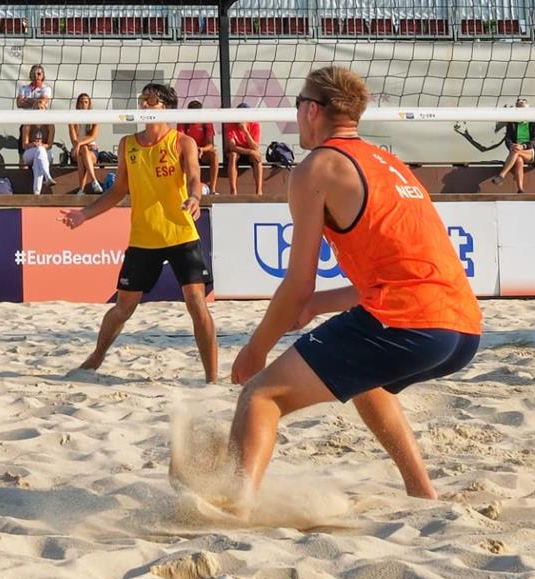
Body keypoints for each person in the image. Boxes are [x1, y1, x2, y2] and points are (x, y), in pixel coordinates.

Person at [222, 66, 481, 510]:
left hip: (410, 323)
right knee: (367, 380)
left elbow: (297, 283)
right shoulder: (390, 163)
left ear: (312, 110)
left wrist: (255, 350)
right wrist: (319, 304)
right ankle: (421, 490)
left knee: (261, 395)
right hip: (463, 330)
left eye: (297, 105)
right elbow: (405, 270)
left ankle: (233, 507)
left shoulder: (318, 167)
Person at [61, 82, 217, 382]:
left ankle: (212, 379)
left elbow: (194, 177)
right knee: (123, 307)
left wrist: (195, 197)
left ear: (166, 107)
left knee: (197, 303)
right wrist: (84, 214)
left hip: (180, 233)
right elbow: (118, 190)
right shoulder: (127, 145)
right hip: (144, 237)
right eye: (142, 99)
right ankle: (95, 358)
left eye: (151, 100)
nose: (144, 104)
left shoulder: (182, 142)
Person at [491, 97, 532, 192]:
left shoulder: (533, 122)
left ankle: (502, 175)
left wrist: (524, 146)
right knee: (518, 159)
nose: (522, 112)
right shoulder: (512, 123)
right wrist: (511, 145)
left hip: (531, 151)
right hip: (517, 151)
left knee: (516, 151)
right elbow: (508, 139)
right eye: (519, 109)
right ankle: (520, 189)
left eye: (524, 109)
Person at [179, 100, 219, 194]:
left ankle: (213, 189)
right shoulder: (183, 122)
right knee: (179, 157)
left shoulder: (206, 122)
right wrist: (192, 151)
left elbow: (210, 144)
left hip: (202, 152)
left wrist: (201, 149)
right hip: (188, 152)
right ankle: (185, 188)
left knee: (214, 155)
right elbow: (180, 142)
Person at [224, 103, 263, 196]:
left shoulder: (254, 124)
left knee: (257, 158)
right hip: (237, 151)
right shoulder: (230, 124)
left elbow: (255, 147)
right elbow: (232, 147)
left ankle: (259, 191)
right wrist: (250, 152)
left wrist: (245, 131)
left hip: (249, 152)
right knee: (233, 155)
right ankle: (233, 190)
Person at [69, 93, 104, 195]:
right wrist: (80, 144)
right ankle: (94, 181)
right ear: (78, 104)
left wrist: (80, 143)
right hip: (77, 150)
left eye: (86, 102)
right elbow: (73, 140)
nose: (83, 104)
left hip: (91, 151)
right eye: (81, 102)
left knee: (82, 155)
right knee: (83, 150)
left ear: (89, 104)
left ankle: (81, 190)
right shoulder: (72, 119)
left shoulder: (94, 118)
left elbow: (93, 137)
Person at [21, 97, 56, 194]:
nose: (39, 110)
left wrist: (41, 145)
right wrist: (33, 144)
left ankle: (36, 192)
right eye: (37, 108)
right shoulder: (28, 124)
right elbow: (24, 145)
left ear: (45, 110)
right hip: (29, 152)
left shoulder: (50, 125)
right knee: (39, 151)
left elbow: (49, 145)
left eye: (41, 108)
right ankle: (47, 176)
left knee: (38, 161)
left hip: (45, 152)